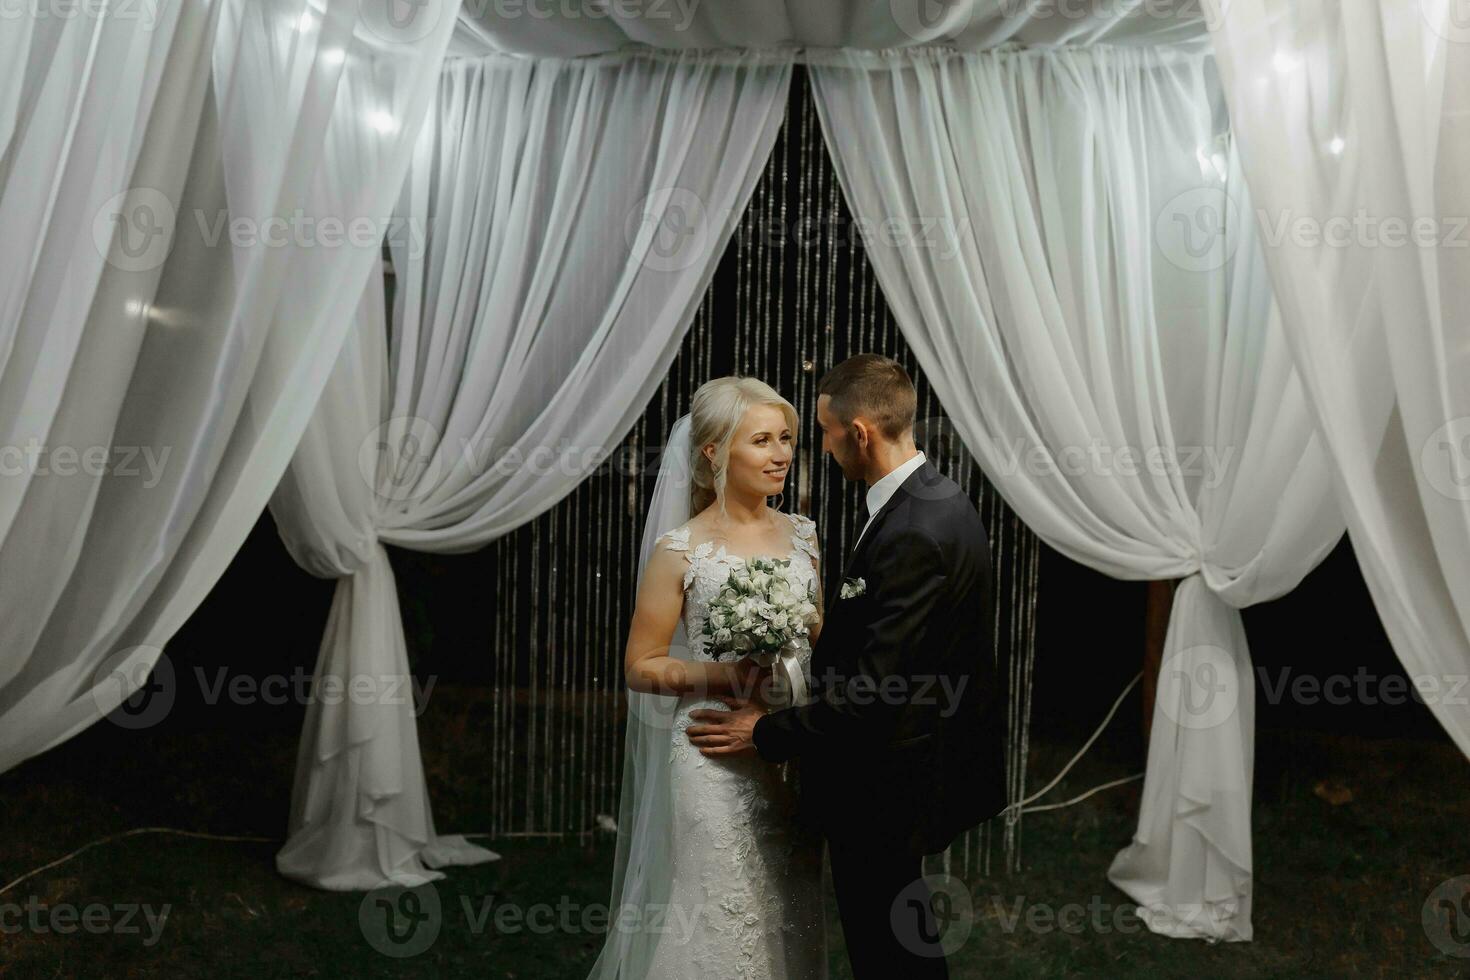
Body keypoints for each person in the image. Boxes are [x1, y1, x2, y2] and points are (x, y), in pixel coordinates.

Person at [686, 354, 1007, 979]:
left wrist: (765, 733)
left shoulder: (914, 527)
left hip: (889, 778)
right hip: (909, 762)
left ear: (859, 432)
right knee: (899, 938)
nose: (820, 451)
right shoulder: (938, 499)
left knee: (889, 950)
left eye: (826, 436)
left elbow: (874, 693)